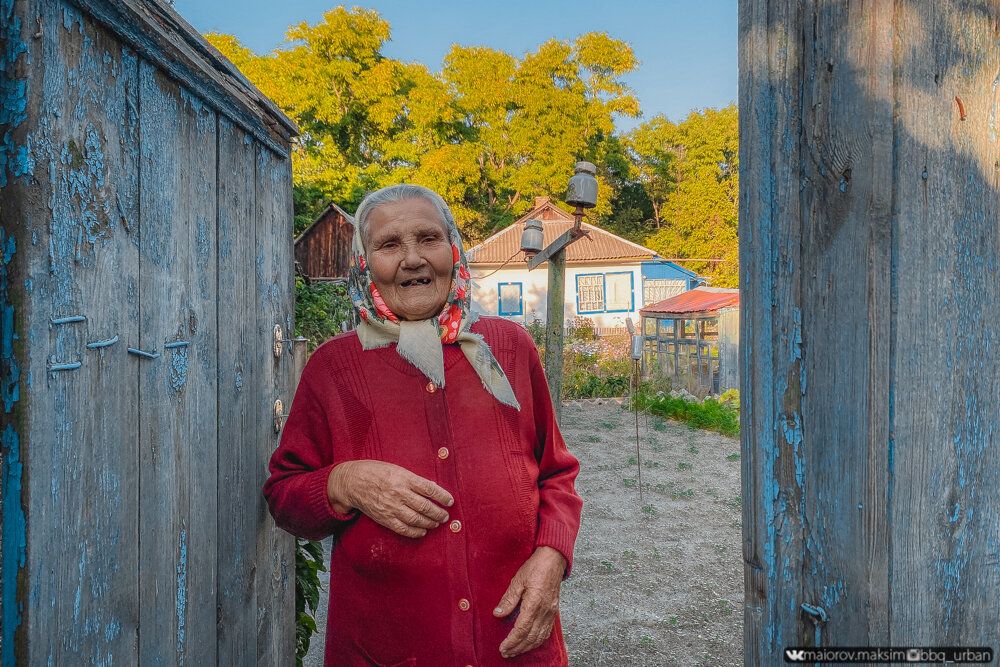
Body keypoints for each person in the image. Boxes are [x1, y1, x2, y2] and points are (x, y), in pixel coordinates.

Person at [263, 184, 583, 666]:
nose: (412, 259)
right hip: (386, 650)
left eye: (429, 239)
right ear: (363, 264)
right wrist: (343, 481)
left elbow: (556, 474)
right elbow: (284, 497)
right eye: (390, 245)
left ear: (453, 251)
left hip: (515, 645)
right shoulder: (333, 367)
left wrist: (552, 556)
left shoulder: (510, 349)